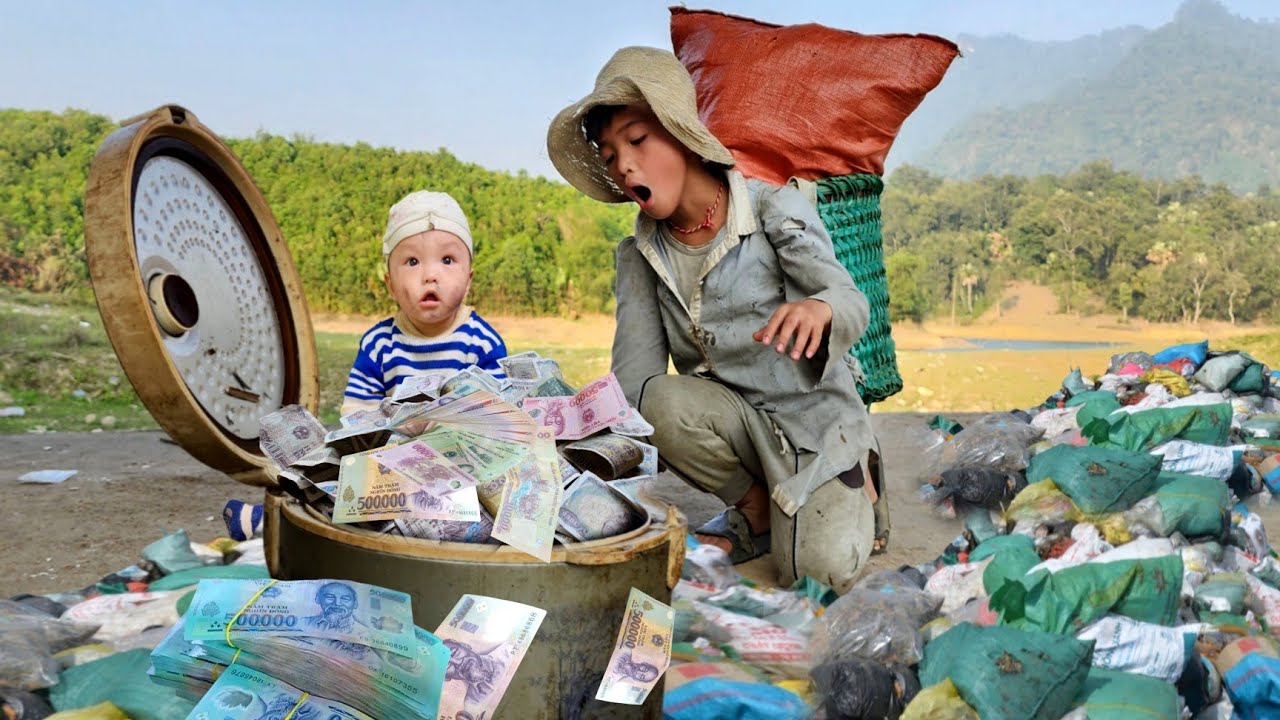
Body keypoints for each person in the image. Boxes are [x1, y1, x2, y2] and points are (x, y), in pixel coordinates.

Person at [547, 46, 887, 592]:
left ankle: (856, 471)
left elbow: (847, 298)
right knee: (655, 398)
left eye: (637, 140)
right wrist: (576, 443)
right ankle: (756, 510)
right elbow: (634, 384)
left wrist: (819, 308)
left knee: (818, 574)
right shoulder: (639, 255)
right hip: (737, 428)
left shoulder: (773, 209)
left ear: (681, 134)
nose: (624, 164)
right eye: (610, 155)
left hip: (814, 423)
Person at [341, 191, 507, 415]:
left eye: (447, 260)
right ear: (391, 285)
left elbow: (501, 415)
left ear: (468, 280)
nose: (430, 275)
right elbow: (357, 414)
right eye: (412, 261)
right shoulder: (378, 346)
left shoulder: (482, 344)